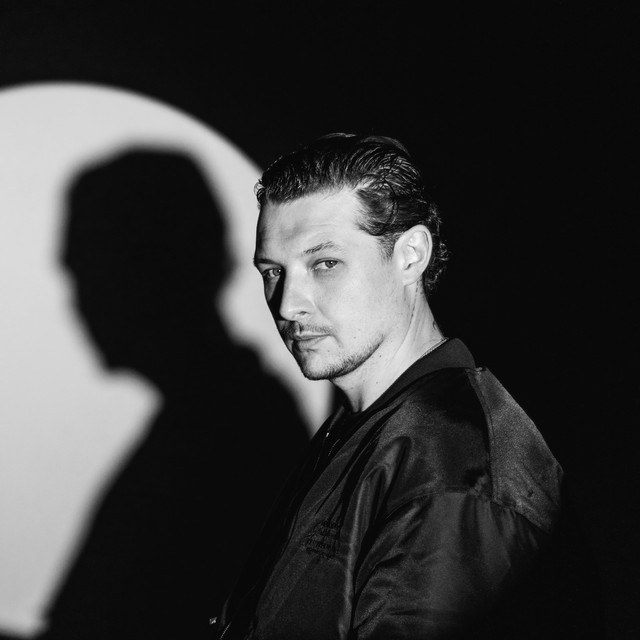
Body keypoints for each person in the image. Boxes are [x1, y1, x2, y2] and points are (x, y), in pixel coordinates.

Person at [211, 133, 601, 639]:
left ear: (411, 256)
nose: (287, 304)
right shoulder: (366, 428)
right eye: (272, 271)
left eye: (325, 264)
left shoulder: (455, 467)